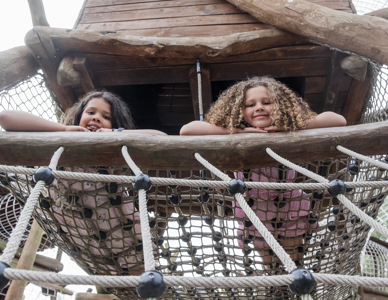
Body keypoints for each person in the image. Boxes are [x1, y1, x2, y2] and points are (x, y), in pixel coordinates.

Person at [180, 76, 346, 268]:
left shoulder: (288, 132)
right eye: (251, 104)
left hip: (291, 205)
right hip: (254, 209)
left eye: (267, 103)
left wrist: (291, 126)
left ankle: (292, 284)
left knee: (292, 260)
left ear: (281, 107)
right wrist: (239, 133)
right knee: (269, 262)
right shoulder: (237, 135)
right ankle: (275, 287)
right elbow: (187, 130)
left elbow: (338, 120)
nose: (259, 107)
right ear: (240, 112)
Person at [0, 90, 167, 275]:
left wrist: (114, 134)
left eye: (106, 116)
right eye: (90, 112)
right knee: (103, 273)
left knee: (142, 276)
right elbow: (5, 117)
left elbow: (159, 137)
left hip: (124, 234)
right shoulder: (60, 144)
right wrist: (62, 130)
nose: (96, 118)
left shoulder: (113, 152)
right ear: (79, 117)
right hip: (83, 240)